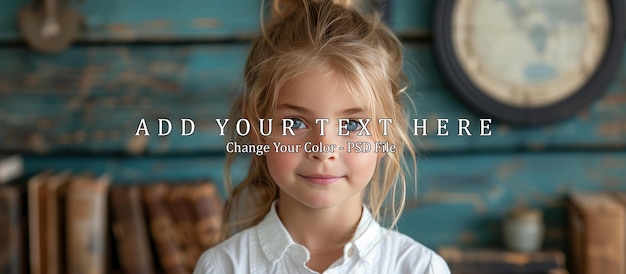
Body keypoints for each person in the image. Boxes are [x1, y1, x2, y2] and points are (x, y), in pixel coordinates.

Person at [194, 0, 450, 273]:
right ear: (257, 129)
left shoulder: (421, 268)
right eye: (295, 122)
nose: (323, 150)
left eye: (352, 125)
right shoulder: (222, 267)